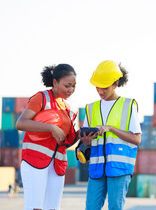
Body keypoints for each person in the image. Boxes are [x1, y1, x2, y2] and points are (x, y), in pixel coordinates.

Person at [79, 60, 142, 210]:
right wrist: (86, 141)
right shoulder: (90, 108)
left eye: (104, 87)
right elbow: (87, 142)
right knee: (91, 207)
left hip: (120, 168)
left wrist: (111, 128)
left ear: (116, 84)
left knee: (115, 207)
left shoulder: (128, 105)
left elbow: (136, 139)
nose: (100, 91)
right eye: (97, 87)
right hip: (96, 168)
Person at [16, 64, 78, 210]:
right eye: (67, 85)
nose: (71, 90)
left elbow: (67, 141)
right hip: (34, 161)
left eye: (74, 86)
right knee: (35, 207)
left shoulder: (70, 110)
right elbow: (21, 123)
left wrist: (83, 137)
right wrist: (50, 127)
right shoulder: (41, 98)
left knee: (52, 208)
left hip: (57, 165)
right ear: (55, 82)